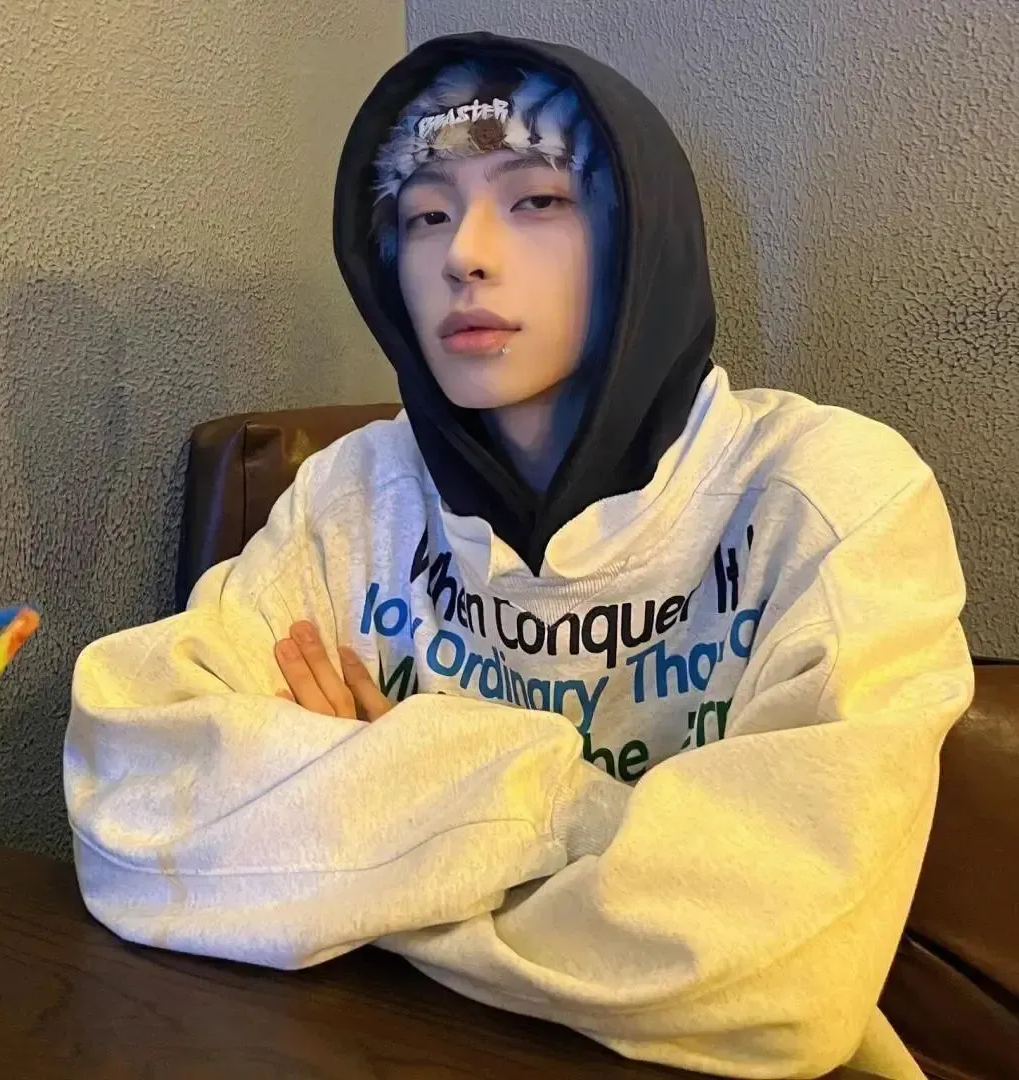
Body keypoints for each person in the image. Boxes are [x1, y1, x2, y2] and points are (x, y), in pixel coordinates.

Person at [64, 31, 974, 1080]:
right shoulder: (353, 493)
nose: (464, 254)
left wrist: (367, 815)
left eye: (537, 199)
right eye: (425, 214)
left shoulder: (828, 497)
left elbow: (777, 982)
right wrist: (602, 842)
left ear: (641, 239)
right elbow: (127, 811)